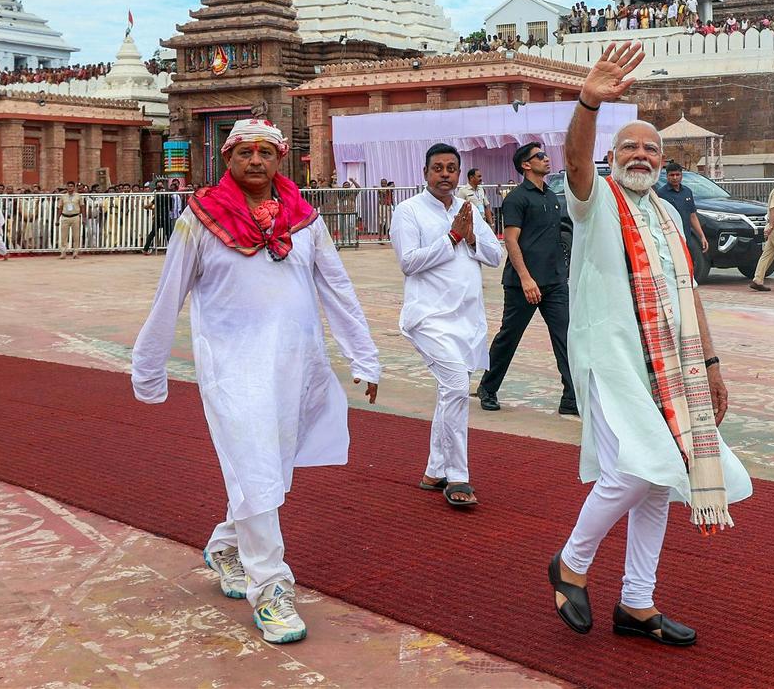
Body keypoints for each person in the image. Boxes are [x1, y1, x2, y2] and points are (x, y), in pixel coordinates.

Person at [132, 118, 381, 645]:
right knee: (256, 464)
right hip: (230, 368)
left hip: (295, 365)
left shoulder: (305, 219)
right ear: (227, 160)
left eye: (266, 152)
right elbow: (169, 292)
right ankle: (270, 588)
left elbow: (336, 286)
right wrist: (148, 366)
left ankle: (226, 544)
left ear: (280, 159)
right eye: (244, 152)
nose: (255, 161)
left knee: (269, 468)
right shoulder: (200, 218)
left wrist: (364, 356)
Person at [549, 42, 751, 647]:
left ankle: (636, 603)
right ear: (613, 156)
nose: (640, 154)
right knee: (642, 468)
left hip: (672, 365)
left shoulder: (665, 215)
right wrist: (588, 101)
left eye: (651, 148)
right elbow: (576, 160)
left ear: (664, 163)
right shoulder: (596, 200)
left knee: (662, 482)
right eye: (629, 146)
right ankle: (570, 562)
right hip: (611, 357)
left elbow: (687, 294)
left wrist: (712, 366)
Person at [390, 143, 502, 509]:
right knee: (455, 385)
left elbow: (495, 255)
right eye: (437, 168)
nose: (445, 175)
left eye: (451, 168)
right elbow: (409, 262)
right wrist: (451, 237)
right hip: (428, 319)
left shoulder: (468, 210)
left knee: (450, 392)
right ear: (425, 173)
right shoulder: (408, 211)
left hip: (466, 320)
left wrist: (470, 236)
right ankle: (458, 475)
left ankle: (434, 470)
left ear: (458, 173)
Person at [476, 141, 577, 417]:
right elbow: (511, 240)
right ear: (525, 164)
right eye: (539, 156)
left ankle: (570, 397)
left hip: (555, 281)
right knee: (509, 337)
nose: (546, 159)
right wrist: (526, 278)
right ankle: (488, 387)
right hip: (524, 283)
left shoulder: (551, 197)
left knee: (566, 338)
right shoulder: (516, 199)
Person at [655, 161, 708, 272]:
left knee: (689, 264)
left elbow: (692, 216)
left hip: (686, 236)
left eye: (677, 175)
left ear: (681, 175)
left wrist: (702, 236)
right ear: (667, 176)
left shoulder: (687, 192)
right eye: (671, 175)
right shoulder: (661, 194)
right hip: (670, 238)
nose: (675, 178)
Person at [142, 179, 173, 254]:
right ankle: (172, 250)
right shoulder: (168, 196)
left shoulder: (157, 196)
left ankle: (145, 249)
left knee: (153, 233)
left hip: (158, 217)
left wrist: (145, 207)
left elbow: (149, 205)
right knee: (169, 234)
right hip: (165, 216)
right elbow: (171, 208)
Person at [57, 180, 85, 259]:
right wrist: (57, 218)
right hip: (65, 216)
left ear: (74, 187)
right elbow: (60, 207)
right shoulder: (63, 196)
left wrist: (84, 218)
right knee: (63, 236)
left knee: (76, 236)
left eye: (72, 186)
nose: (70, 188)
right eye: (69, 186)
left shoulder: (78, 196)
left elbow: (82, 207)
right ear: (67, 187)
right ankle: (63, 252)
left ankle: (75, 252)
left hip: (75, 216)